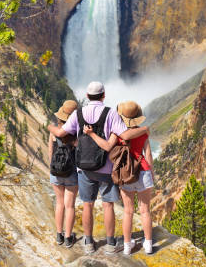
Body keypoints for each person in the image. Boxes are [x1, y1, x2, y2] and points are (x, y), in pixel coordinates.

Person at [48, 81, 149, 255]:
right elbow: (125, 135)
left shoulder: (78, 113)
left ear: (87, 96)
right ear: (103, 95)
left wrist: (49, 125)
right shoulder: (110, 113)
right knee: (108, 205)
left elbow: (60, 133)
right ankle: (110, 243)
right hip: (106, 168)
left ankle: (88, 242)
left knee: (87, 205)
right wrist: (146, 129)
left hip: (84, 168)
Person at [84, 101, 154, 255]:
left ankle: (128, 246)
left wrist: (91, 134)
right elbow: (148, 155)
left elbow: (107, 147)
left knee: (128, 211)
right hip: (143, 171)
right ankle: (148, 245)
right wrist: (152, 175)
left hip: (125, 174)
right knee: (145, 210)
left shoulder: (117, 134)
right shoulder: (143, 132)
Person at [48, 99, 78, 248]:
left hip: (56, 171)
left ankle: (58, 235)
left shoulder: (54, 133)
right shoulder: (75, 133)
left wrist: (53, 168)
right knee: (70, 206)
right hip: (72, 173)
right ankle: (68, 238)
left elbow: (50, 153)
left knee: (59, 203)